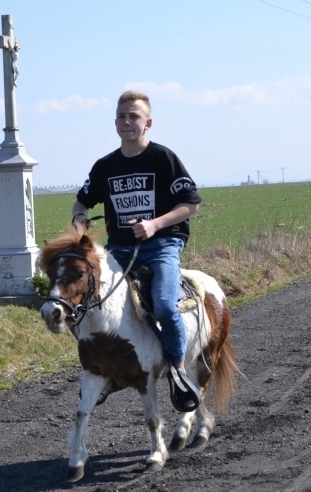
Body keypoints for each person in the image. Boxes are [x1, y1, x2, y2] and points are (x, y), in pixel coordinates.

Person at [71, 90, 202, 411]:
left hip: (161, 246)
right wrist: (79, 220)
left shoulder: (163, 158)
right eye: (121, 116)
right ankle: (106, 372)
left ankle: (178, 370)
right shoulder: (106, 166)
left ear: (148, 123)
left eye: (134, 117)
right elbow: (81, 200)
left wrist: (156, 224)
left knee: (165, 306)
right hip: (119, 250)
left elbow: (190, 205)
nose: (127, 122)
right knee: (87, 305)